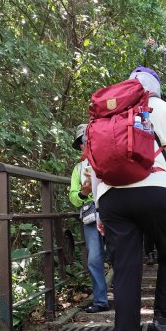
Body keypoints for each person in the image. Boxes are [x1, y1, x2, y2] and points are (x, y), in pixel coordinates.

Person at [92, 66, 166, 331]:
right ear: (155, 89)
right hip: (155, 189)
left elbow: (96, 163)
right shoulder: (159, 106)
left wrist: (100, 206)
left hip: (112, 196)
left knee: (125, 268)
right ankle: (163, 315)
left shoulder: (106, 113)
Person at [69, 124, 109, 314]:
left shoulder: (109, 158)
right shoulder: (78, 169)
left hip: (110, 210)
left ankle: (127, 297)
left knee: (120, 254)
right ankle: (101, 300)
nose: (85, 145)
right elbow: (74, 198)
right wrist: (84, 192)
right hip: (90, 215)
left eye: (87, 141)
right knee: (94, 258)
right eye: (82, 142)